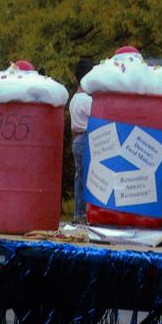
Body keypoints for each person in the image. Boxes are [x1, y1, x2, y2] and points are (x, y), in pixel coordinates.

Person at [68, 57, 94, 224]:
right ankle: (85, 213)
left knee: (79, 177)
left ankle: (78, 213)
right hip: (87, 138)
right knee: (88, 177)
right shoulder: (88, 100)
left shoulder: (74, 99)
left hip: (77, 138)